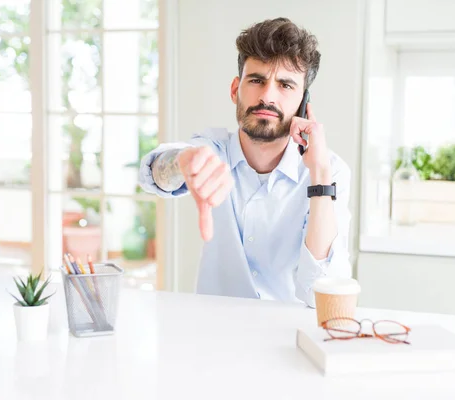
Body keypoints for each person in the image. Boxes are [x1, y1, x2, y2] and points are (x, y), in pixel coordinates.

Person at [138, 17, 351, 308]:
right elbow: (156, 172)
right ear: (235, 89)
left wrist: (320, 175)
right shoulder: (211, 151)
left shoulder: (329, 171)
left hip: (287, 335)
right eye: (256, 80)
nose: (267, 96)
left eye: (285, 85)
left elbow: (320, 290)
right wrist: (180, 163)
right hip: (215, 333)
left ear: (304, 103)